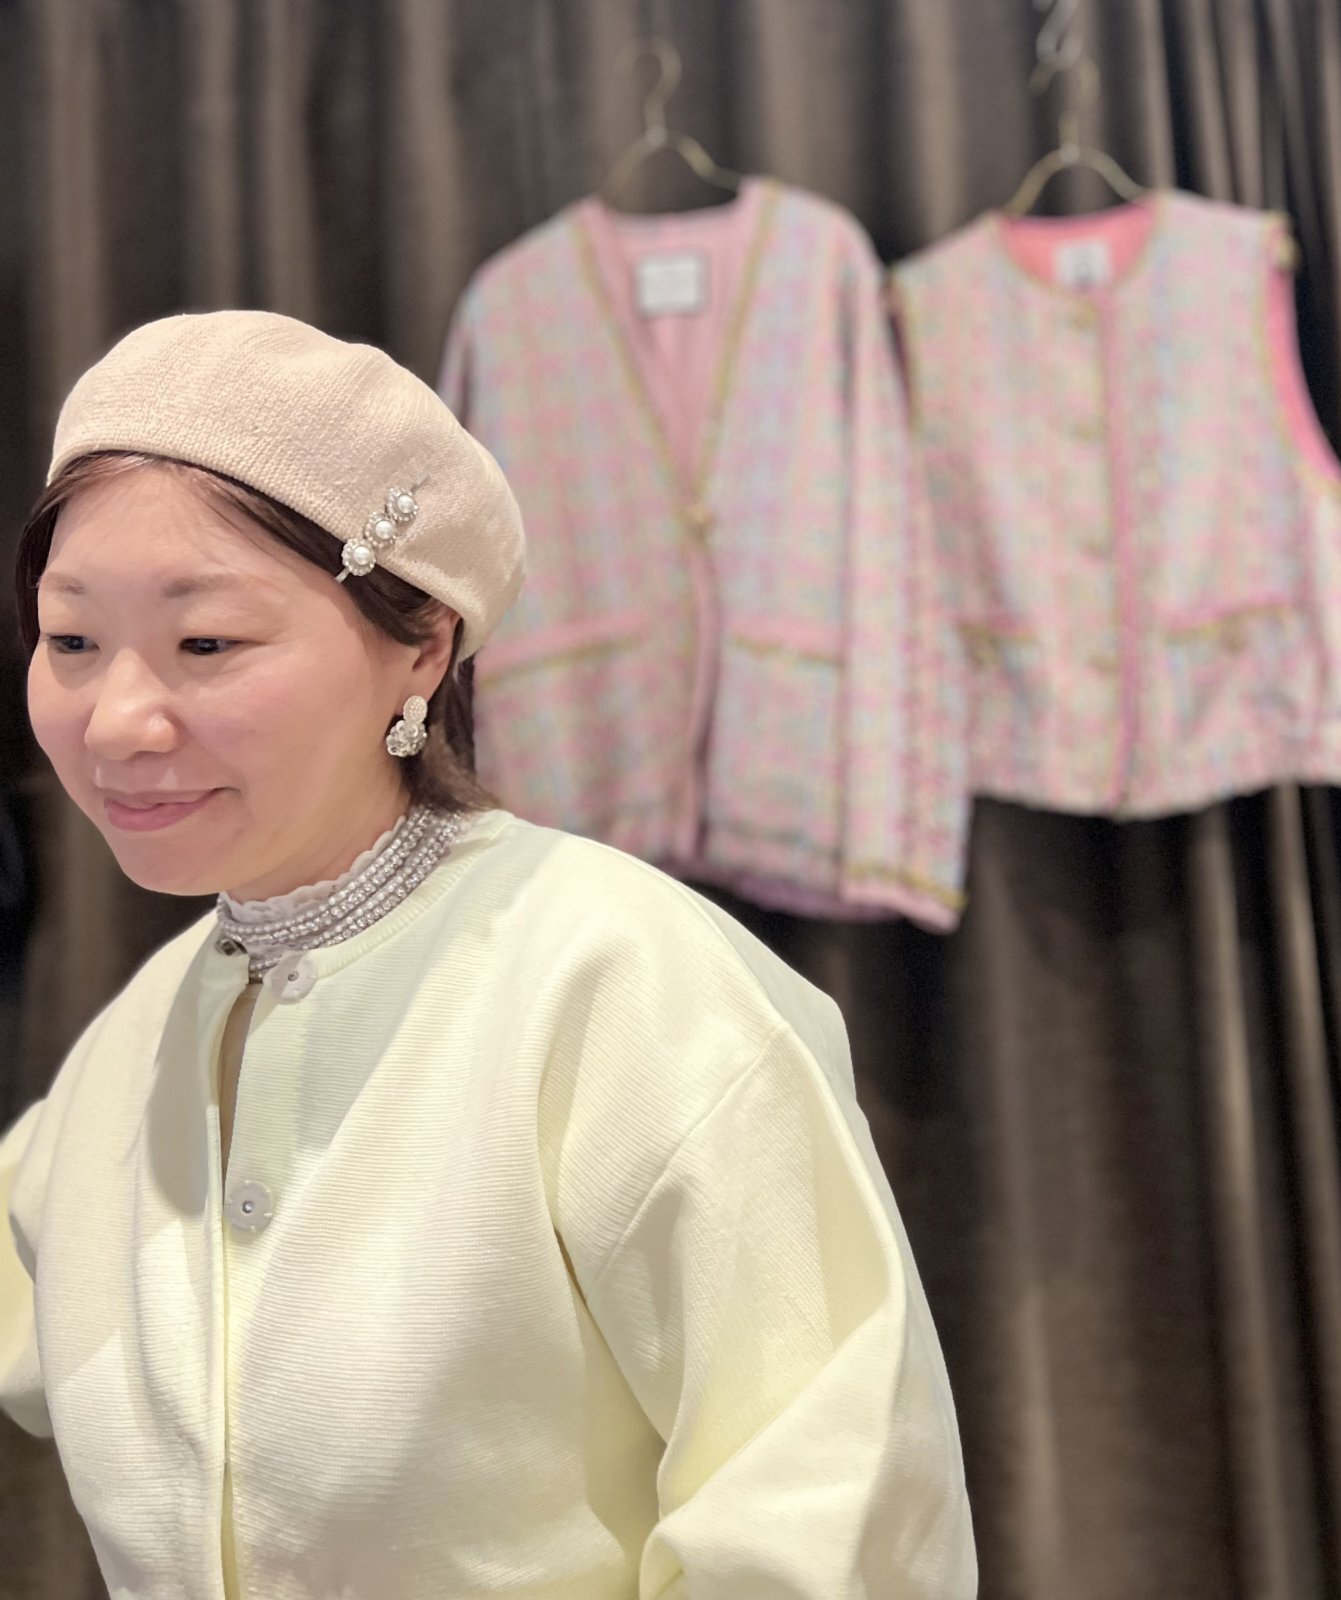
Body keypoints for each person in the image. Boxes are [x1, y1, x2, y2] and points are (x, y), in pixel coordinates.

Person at [0, 311, 977, 1600]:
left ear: (422, 645)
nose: (118, 720)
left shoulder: (624, 984)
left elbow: (832, 1525)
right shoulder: (130, 1052)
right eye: (71, 640)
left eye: (208, 644)